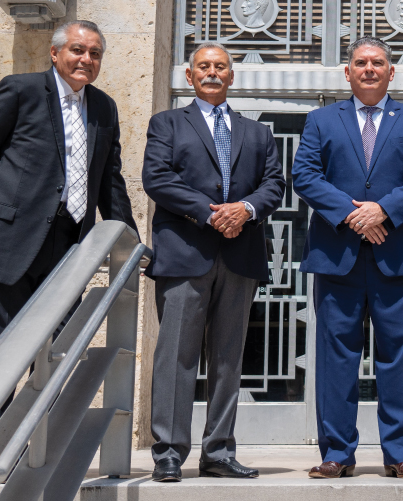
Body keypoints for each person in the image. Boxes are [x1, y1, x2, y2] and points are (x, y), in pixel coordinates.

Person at [0, 20, 137, 443]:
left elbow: (109, 180)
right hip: (7, 243)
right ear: (55, 52)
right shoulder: (21, 91)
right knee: (0, 352)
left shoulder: (104, 108)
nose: (86, 60)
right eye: (78, 51)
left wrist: (129, 241)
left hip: (69, 250)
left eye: (95, 53)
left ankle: (35, 444)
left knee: (57, 350)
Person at [292, 36, 403, 480]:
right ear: (348, 71)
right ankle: (336, 453)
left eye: (378, 62)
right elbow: (304, 174)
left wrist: (385, 211)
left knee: (401, 356)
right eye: (361, 62)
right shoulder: (321, 120)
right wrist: (353, 215)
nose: (370, 69)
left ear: (391, 71)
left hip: (397, 256)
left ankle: (401, 454)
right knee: (336, 357)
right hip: (337, 257)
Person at [142, 41, 285, 482]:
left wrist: (244, 210)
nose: (212, 73)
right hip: (185, 254)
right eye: (203, 66)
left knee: (228, 358)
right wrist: (210, 213)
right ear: (189, 77)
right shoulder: (166, 122)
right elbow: (157, 178)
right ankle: (168, 451)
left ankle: (219, 450)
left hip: (240, 255)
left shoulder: (257, 132)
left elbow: (274, 184)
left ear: (232, 76)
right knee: (176, 357)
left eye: (220, 67)